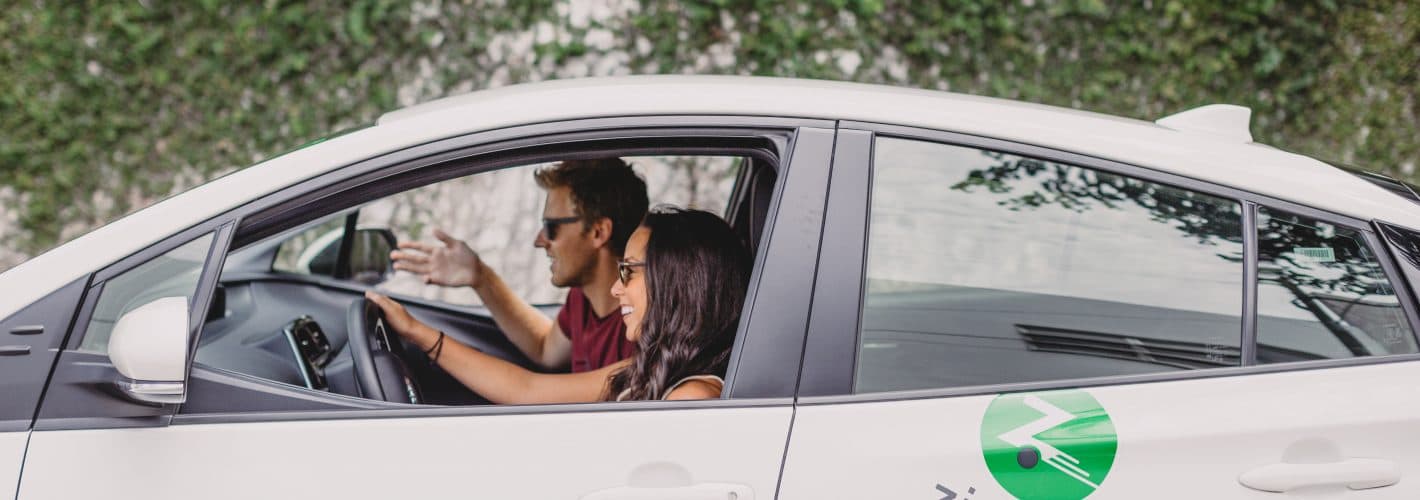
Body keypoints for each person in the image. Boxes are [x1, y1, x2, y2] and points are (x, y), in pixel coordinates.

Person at [365, 206, 752, 403]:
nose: (618, 290)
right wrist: (417, 332)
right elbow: (527, 389)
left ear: (676, 284)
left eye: (628, 272)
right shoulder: (649, 370)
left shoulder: (691, 398)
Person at [389, 158, 647, 373]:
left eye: (550, 227)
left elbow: (529, 390)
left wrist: (417, 332)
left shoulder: (641, 326)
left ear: (598, 232)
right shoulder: (582, 300)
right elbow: (545, 349)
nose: (539, 241)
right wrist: (479, 276)